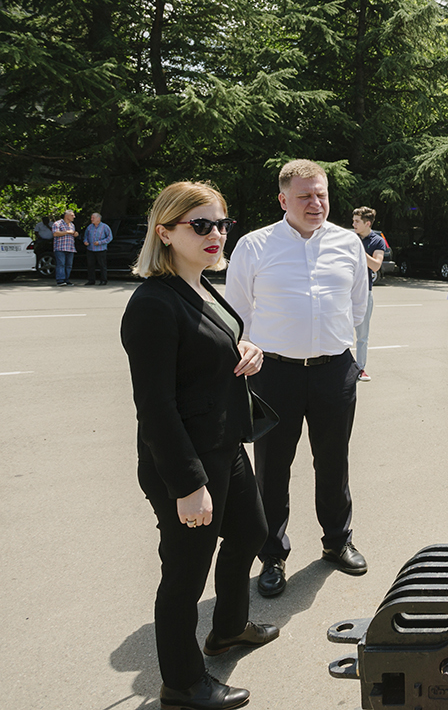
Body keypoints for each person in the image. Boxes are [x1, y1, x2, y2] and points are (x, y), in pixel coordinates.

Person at [120, 182, 277, 710]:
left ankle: (228, 628)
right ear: (165, 232)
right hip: (185, 461)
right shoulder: (153, 304)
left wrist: (247, 347)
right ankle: (182, 684)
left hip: (224, 444)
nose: (217, 234)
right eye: (201, 225)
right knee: (184, 576)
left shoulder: (202, 285)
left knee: (252, 531)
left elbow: (217, 341)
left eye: (222, 224)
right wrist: (188, 485)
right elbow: (155, 407)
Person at [226, 160, 370, 598]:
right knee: (272, 468)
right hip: (274, 374)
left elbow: (357, 305)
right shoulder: (255, 246)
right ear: (283, 199)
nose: (316, 203)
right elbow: (237, 312)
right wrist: (250, 350)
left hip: (334, 371)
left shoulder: (347, 243)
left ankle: (337, 541)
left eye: (321, 194)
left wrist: (334, 345)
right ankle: (272, 554)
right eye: (305, 195)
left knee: (334, 462)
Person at [352, 207, 385, 382]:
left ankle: (360, 368)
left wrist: (359, 250)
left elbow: (376, 265)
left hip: (365, 293)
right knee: (338, 332)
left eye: (357, 221)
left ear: (367, 223)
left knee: (362, 336)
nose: (353, 224)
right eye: (353, 221)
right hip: (344, 292)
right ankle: (340, 368)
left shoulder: (377, 241)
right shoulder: (350, 238)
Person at [83, 212, 113, 285]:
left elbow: (109, 237)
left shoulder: (105, 227)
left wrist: (100, 242)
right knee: (90, 265)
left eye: (93, 218)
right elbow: (85, 236)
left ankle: (103, 280)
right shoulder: (89, 227)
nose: (91, 219)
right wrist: (85, 241)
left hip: (101, 249)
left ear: (98, 219)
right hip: (90, 249)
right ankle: (91, 280)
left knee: (102, 265)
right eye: (91, 218)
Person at [51, 209, 77, 286]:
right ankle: (60, 280)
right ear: (66, 216)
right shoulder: (58, 223)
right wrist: (67, 232)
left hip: (70, 248)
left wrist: (75, 234)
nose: (74, 217)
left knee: (69, 265)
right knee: (61, 264)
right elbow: (55, 233)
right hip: (60, 248)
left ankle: (67, 280)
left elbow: (72, 234)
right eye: (72, 215)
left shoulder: (72, 225)